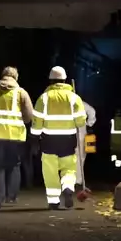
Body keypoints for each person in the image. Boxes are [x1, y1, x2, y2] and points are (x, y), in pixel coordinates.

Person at [31, 66, 87, 210]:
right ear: (64, 80)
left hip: (49, 140)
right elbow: (81, 121)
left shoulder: (43, 98)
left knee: (50, 170)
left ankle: (53, 201)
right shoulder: (74, 98)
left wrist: (35, 138)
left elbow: (37, 121)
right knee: (69, 168)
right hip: (68, 140)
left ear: (50, 80)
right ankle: (68, 188)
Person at [0, 66, 33, 208]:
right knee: (14, 165)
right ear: (15, 77)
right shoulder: (21, 92)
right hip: (15, 134)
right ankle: (11, 197)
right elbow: (29, 116)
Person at [75, 101, 96, 190]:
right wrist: (89, 123)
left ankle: (73, 181)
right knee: (80, 158)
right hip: (80, 134)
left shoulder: (63, 103)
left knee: (70, 158)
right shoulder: (80, 103)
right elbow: (92, 111)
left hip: (68, 134)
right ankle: (78, 181)